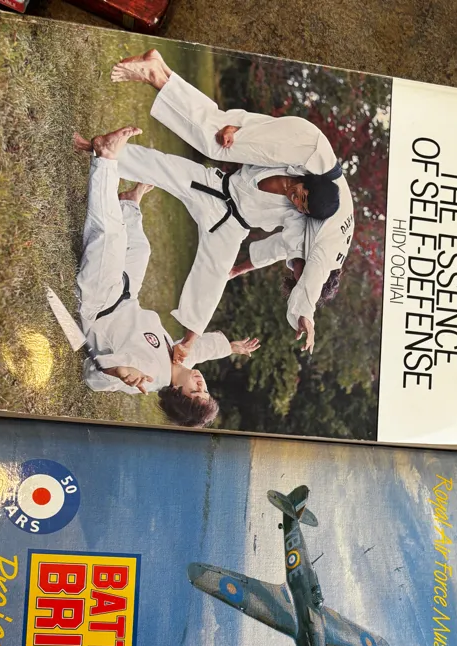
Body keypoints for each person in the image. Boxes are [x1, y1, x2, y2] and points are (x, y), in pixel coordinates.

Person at [108, 49, 351, 357]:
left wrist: (240, 268)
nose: (295, 272)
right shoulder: (325, 253)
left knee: (221, 131)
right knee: (220, 141)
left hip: (305, 153)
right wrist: (307, 315)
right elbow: (311, 276)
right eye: (298, 276)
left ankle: (162, 70)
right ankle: (155, 74)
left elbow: (280, 248)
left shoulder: (312, 236)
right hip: (307, 150)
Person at [74, 127, 261, 428]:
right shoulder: (178, 362)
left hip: (98, 302)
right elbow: (200, 349)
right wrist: (230, 347)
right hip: (125, 295)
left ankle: (105, 158)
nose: (201, 383)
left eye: (195, 391)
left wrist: (117, 372)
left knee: (111, 237)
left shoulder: (150, 374)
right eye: (205, 390)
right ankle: (129, 202)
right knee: (141, 250)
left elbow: (91, 376)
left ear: (176, 393)